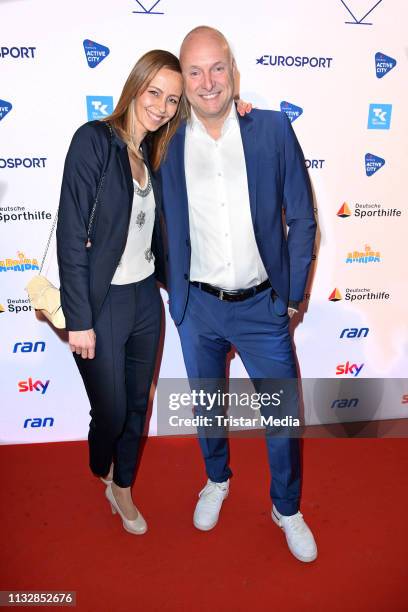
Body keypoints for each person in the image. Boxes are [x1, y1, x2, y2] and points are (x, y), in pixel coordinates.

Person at [160, 27, 318, 562]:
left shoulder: (271, 129)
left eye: (217, 68)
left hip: (262, 307)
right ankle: (217, 479)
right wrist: (173, 294)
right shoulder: (164, 143)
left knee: (282, 416)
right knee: (208, 408)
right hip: (197, 308)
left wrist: (292, 297)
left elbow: (300, 214)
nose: (208, 82)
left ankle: (287, 507)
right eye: (195, 71)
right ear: (182, 80)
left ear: (233, 70)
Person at [56, 50, 184, 535]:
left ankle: (123, 487)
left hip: (145, 302)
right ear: (135, 87)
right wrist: (80, 319)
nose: (163, 106)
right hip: (101, 302)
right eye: (155, 92)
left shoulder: (152, 156)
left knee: (137, 405)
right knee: (109, 411)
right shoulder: (94, 141)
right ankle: (100, 467)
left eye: (173, 99)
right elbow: (72, 233)